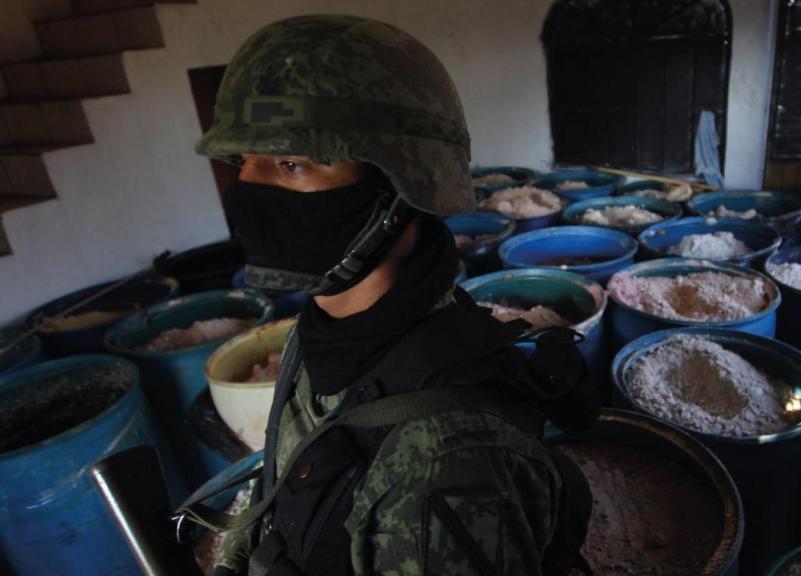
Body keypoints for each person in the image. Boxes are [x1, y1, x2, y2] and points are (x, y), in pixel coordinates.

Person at [181, 14, 598, 576]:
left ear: (403, 187)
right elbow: (281, 478)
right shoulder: (324, 332)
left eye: (291, 164)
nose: (248, 190)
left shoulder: (447, 456)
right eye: (242, 163)